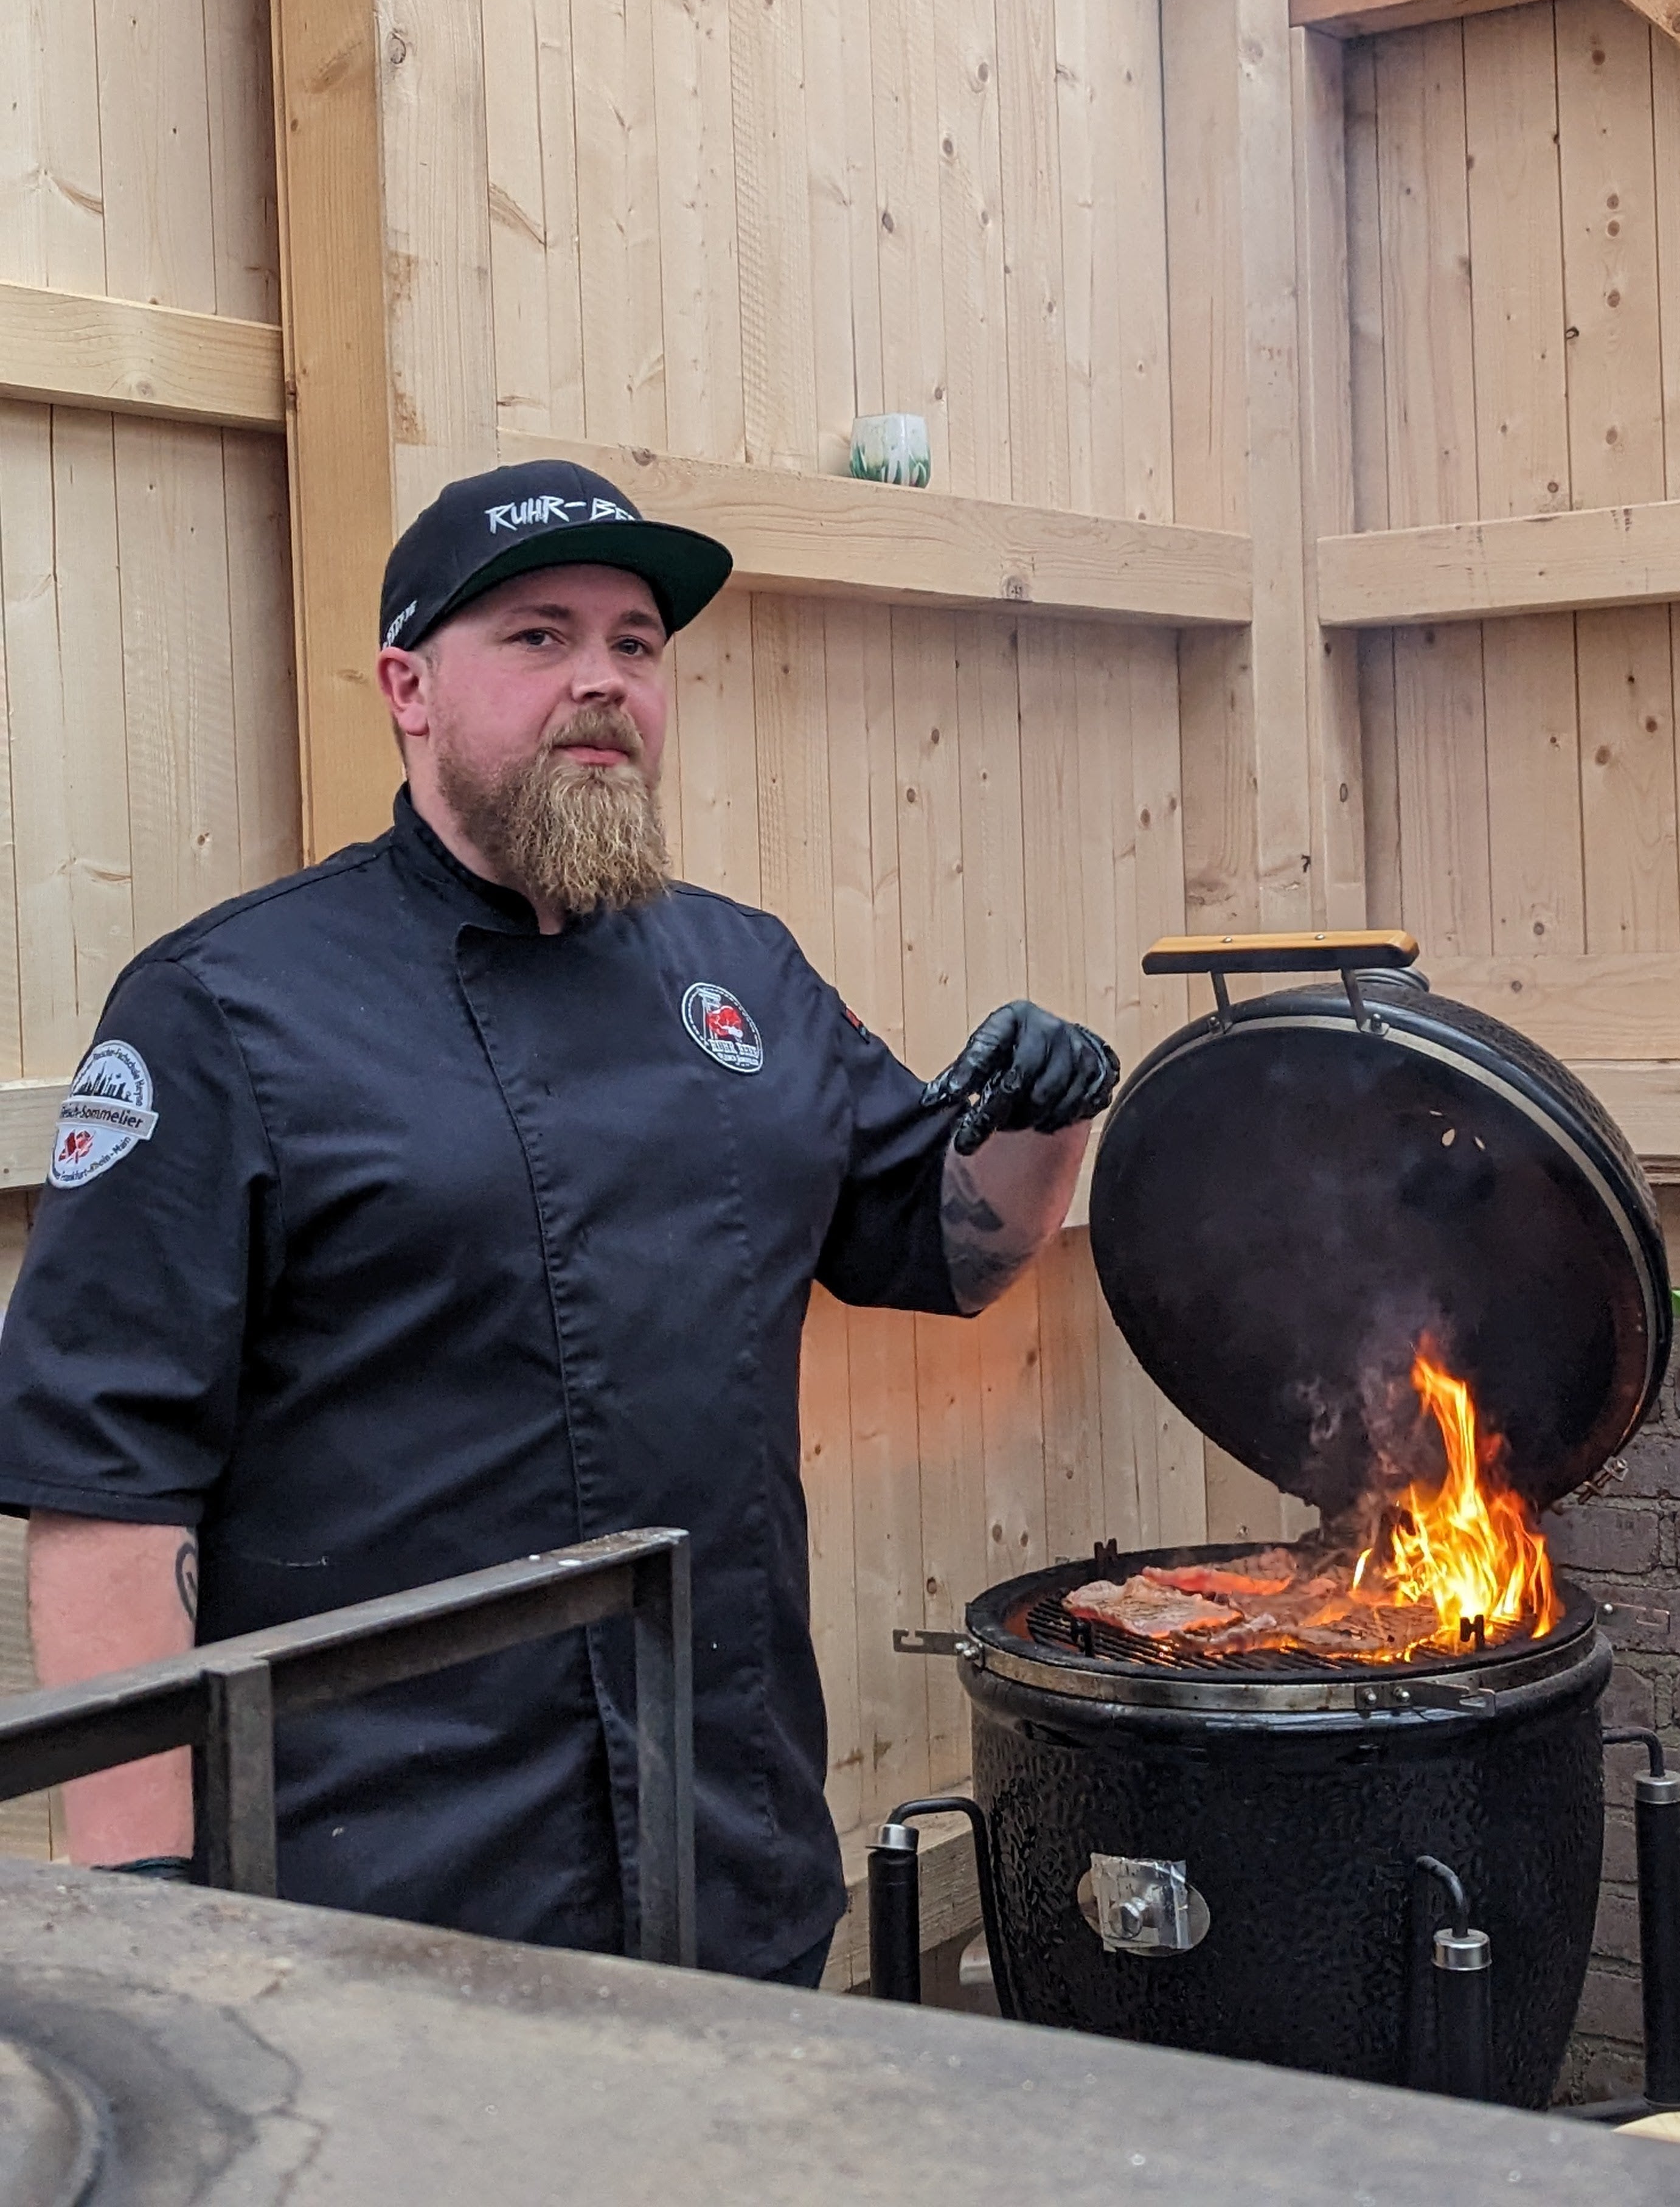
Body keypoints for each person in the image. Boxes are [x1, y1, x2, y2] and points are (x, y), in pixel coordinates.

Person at [0, 459, 1118, 1986]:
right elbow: (108, 1495)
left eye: (635, 643)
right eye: (539, 636)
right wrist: (146, 1908)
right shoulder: (226, 1013)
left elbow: (948, 1251)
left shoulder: (747, 976)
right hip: (379, 1896)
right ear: (409, 685)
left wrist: (1051, 1118)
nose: (601, 681)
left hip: (731, 1853)